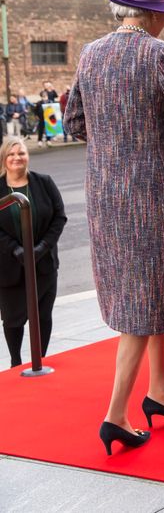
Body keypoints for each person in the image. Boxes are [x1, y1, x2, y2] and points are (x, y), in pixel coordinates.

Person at [64, 0, 164, 455]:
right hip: (150, 190)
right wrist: (154, 153)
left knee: (152, 291)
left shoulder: (91, 52)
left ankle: (162, 391)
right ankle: (116, 416)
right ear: (151, 14)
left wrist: (114, 149)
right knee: (144, 302)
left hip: (105, 192)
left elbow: (74, 121)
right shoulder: (161, 53)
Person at [0, 137, 66, 367]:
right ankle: (16, 361)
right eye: (11, 154)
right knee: (12, 319)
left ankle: (41, 358)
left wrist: (42, 247)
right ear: (4, 159)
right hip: (10, 266)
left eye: (21, 153)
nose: (17, 158)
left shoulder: (43, 182)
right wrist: (15, 249)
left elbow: (59, 217)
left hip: (43, 263)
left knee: (42, 316)